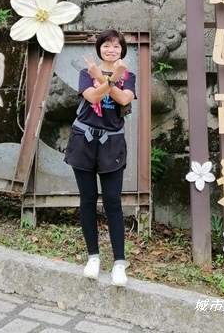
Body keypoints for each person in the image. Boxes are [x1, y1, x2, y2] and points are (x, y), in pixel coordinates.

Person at [65, 29, 136, 287]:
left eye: (116, 46)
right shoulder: (87, 73)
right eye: (106, 45)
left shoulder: (129, 76)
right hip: (83, 140)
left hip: (111, 144)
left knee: (113, 202)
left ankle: (119, 262)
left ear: (122, 50)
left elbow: (125, 98)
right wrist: (108, 79)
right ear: (99, 48)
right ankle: (93, 257)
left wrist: (113, 79)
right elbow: (93, 96)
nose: (111, 50)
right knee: (87, 200)